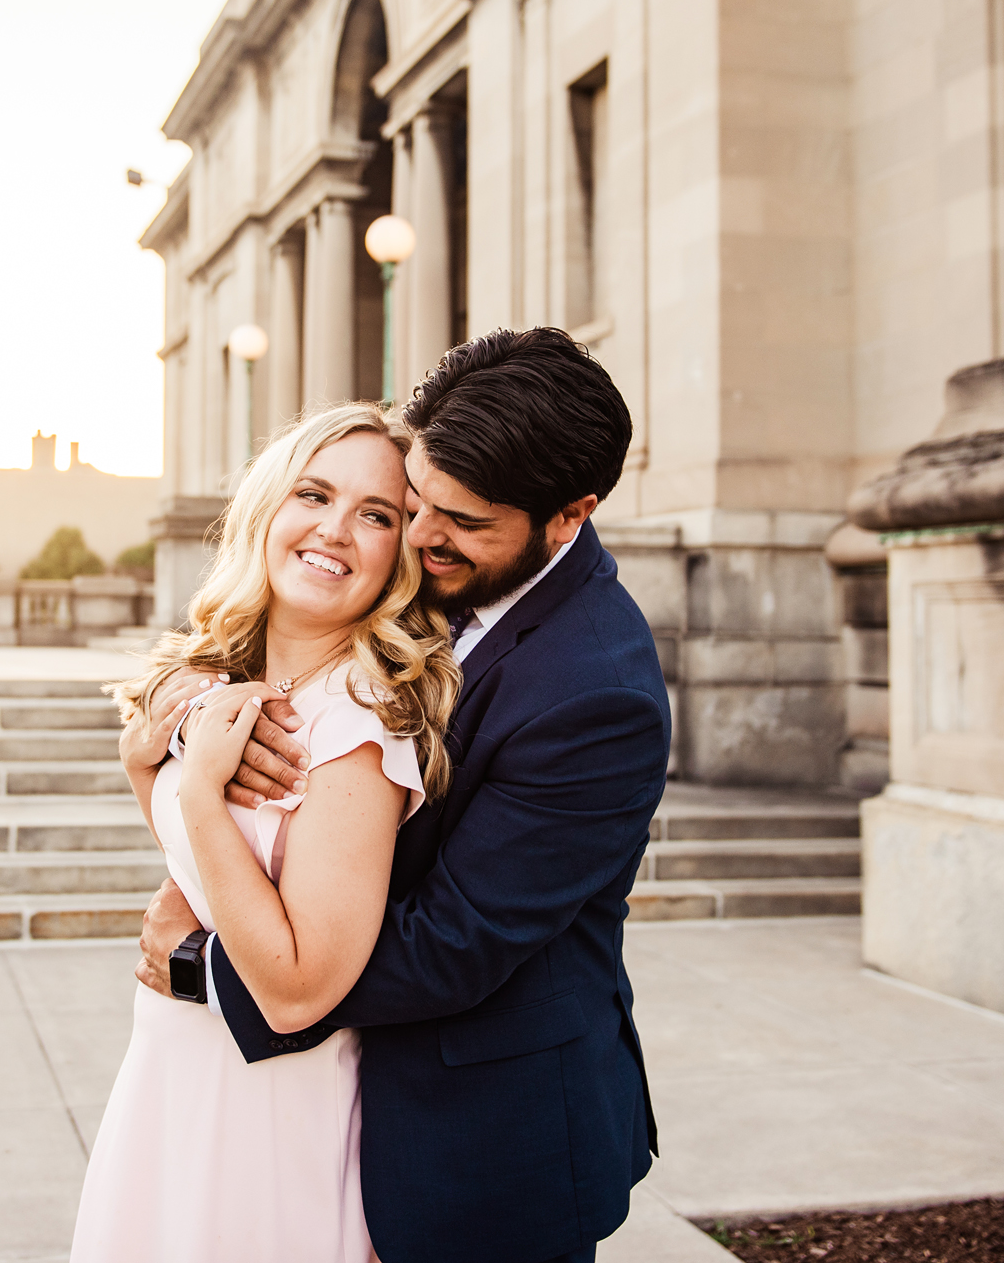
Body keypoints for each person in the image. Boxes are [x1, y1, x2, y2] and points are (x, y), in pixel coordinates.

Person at [137, 327, 672, 1263]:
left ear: (569, 516)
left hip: (480, 1140)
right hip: (323, 1107)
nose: (423, 538)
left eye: (463, 520)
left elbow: (451, 948)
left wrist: (206, 968)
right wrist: (182, 723)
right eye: (417, 502)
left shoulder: (599, 693)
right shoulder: (426, 581)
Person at [70, 401, 461, 1263]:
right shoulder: (224, 680)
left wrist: (202, 791)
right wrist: (148, 764)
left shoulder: (356, 728)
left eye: (377, 515)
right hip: (170, 1076)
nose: (335, 530)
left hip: (268, 1110)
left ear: (401, 552)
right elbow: (212, 869)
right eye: (314, 494)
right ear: (268, 506)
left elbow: (296, 989)